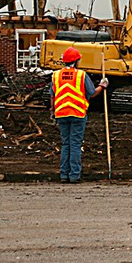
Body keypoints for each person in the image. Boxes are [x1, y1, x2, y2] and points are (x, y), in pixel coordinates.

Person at [50, 47, 108, 183]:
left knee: (65, 144)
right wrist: (103, 85)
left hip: (61, 113)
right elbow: (92, 93)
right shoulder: (81, 75)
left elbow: (52, 96)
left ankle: (64, 175)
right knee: (75, 144)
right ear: (77, 60)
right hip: (77, 113)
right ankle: (74, 175)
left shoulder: (56, 75)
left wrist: (52, 111)